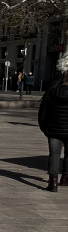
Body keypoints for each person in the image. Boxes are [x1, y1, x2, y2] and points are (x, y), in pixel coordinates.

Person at [38, 60, 68, 192]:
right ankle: (65, 178)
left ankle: (53, 182)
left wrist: (46, 129)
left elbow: (42, 114)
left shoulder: (50, 93)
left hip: (53, 130)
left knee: (54, 155)